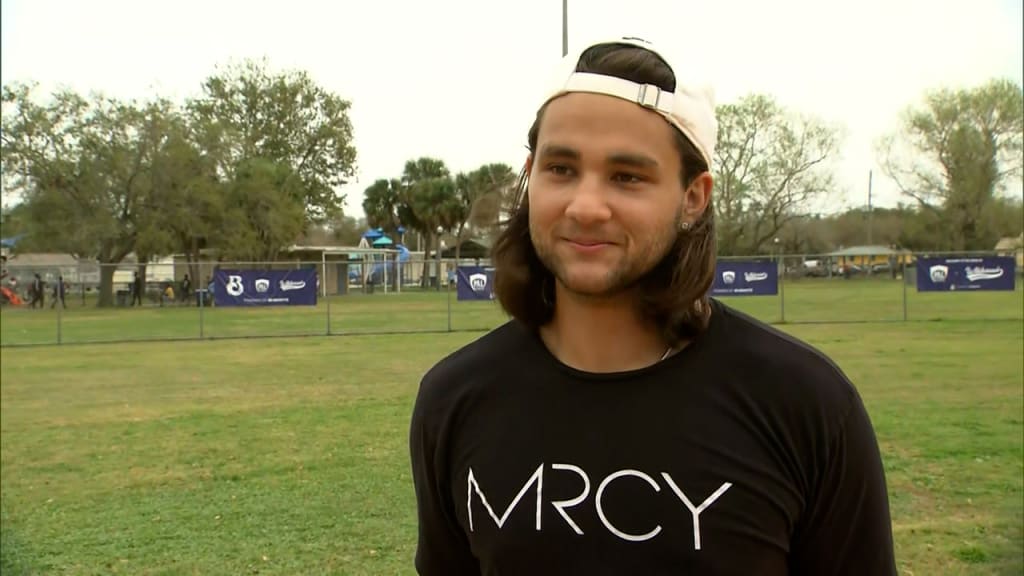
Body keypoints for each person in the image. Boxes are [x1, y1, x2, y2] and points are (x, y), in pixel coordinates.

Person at [409, 37, 897, 575]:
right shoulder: (454, 399)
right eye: (561, 169)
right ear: (530, 176)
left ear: (694, 197)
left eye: (628, 177)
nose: (586, 206)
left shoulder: (806, 405)